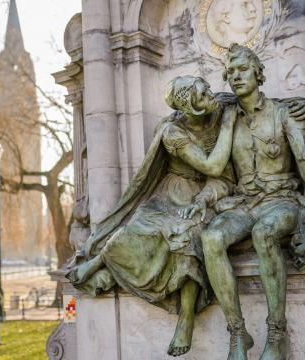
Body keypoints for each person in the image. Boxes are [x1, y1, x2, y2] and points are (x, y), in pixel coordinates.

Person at [66, 75, 237, 356]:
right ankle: (98, 263)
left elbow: (257, 102)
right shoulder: (172, 131)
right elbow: (212, 164)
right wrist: (229, 125)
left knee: (186, 237)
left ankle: (186, 318)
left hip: (206, 192)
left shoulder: (217, 107)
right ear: (192, 106)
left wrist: (298, 105)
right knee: (128, 232)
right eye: (204, 94)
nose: (212, 96)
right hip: (171, 192)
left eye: (208, 91)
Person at [197, 43, 305, 360]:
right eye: (230, 72)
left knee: (265, 232)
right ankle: (238, 334)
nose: (235, 76)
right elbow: (222, 176)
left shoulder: (283, 112)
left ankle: (276, 334)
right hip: (243, 203)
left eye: (242, 69)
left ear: (258, 73)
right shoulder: (227, 119)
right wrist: (205, 197)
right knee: (211, 238)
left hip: (283, 201)